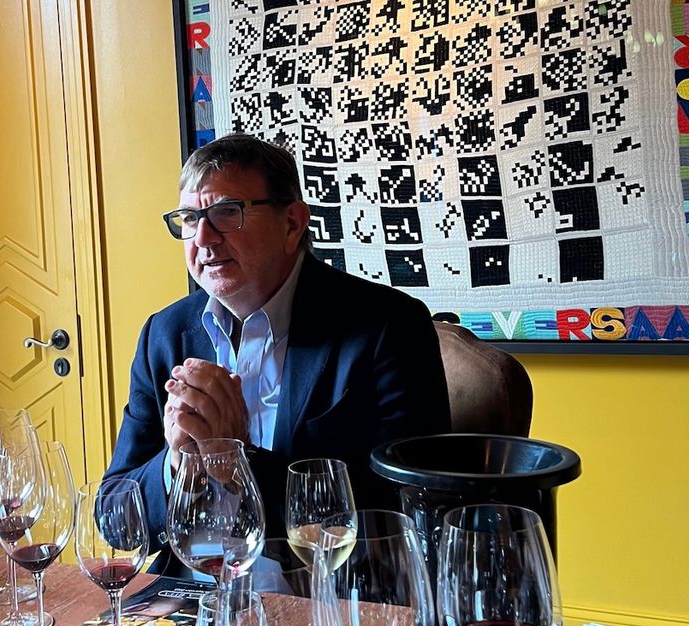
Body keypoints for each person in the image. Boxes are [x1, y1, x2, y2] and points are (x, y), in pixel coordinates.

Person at [104, 133, 451, 574]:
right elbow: (114, 520)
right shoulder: (165, 334)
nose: (203, 238)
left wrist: (235, 462)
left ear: (291, 224)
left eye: (227, 213)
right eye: (190, 219)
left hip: (320, 594)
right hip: (189, 596)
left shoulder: (388, 327)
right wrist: (178, 466)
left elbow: (407, 514)